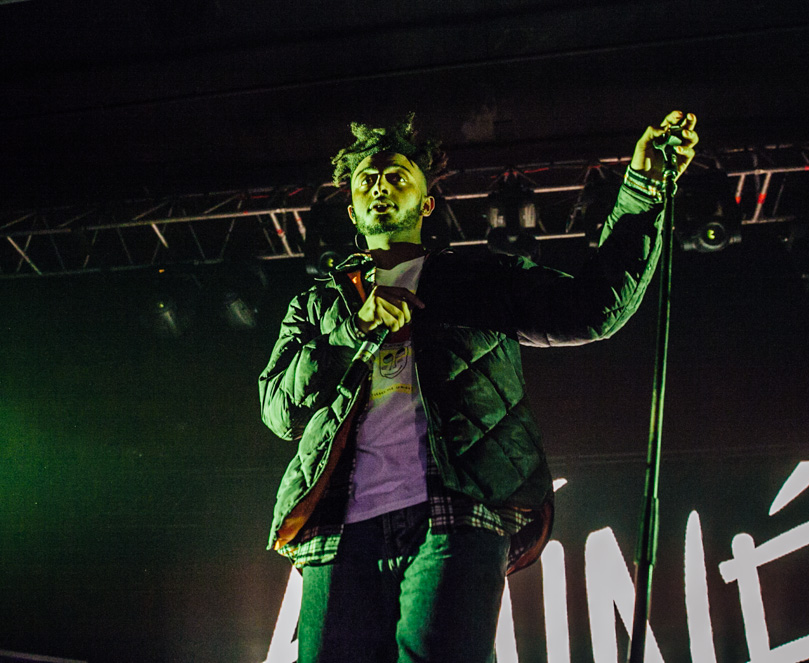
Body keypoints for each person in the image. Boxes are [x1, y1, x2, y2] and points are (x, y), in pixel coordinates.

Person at [259, 110, 698, 662]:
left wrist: (643, 189)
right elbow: (278, 410)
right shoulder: (318, 307)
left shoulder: (478, 280)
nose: (380, 188)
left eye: (397, 177)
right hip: (339, 531)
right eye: (366, 181)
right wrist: (355, 330)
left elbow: (592, 309)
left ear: (426, 203)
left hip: (456, 511)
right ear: (351, 210)